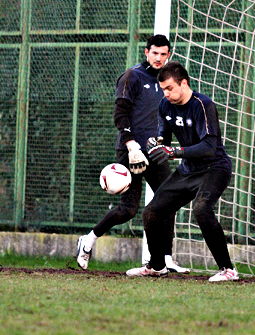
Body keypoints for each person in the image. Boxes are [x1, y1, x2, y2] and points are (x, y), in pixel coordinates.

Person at [76, 35, 189, 274]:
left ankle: (165, 258)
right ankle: (88, 240)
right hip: (131, 152)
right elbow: (120, 114)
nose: (159, 58)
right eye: (155, 53)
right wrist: (131, 145)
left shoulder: (167, 82)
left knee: (169, 200)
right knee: (128, 209)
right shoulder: (132, 76)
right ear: (146, 52)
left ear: (168, 54)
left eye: (163, 54)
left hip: (153, 152)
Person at [126, 61, 237, 282]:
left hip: (214, 168)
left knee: (201, 209)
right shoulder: (165, 106)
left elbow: (208, 147)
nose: (165, 94)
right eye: (163, 89)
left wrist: (173, 151)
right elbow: (163, 138)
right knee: (151, 212)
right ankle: (157, 265)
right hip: (188, 171)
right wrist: (155, 144)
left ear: (183, 83)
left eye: (169, 88)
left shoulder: (202, 105)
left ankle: (228, 270)